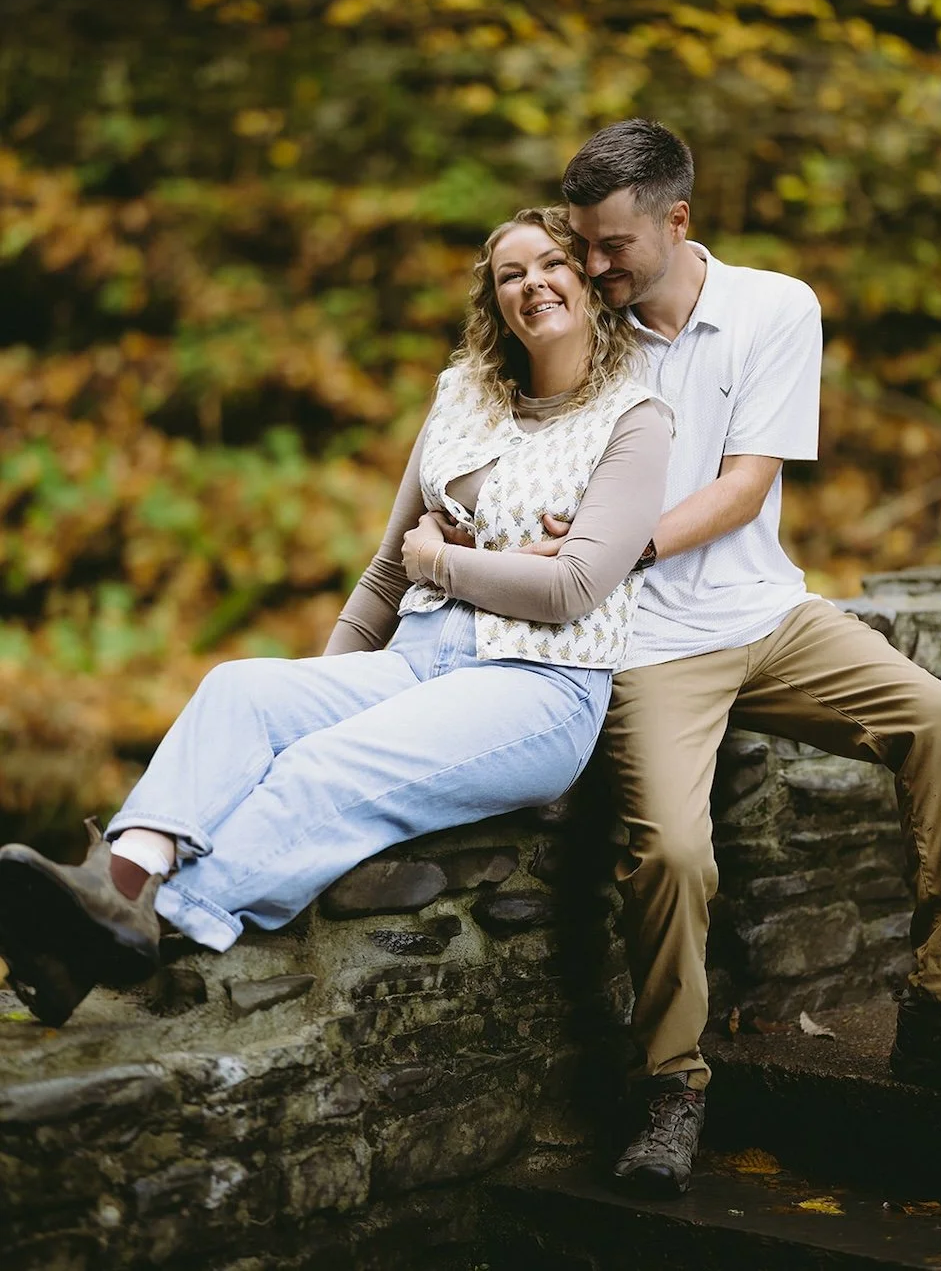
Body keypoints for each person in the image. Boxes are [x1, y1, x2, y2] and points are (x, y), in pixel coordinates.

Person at [451, 120, 941, 1196]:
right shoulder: (583, 326)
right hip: (647, 644)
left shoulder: (774, 308)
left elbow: (746, 488)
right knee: (672, 854)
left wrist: (613, 544)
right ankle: (672, 1087)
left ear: (677, 220)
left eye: (613, 245)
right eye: (580, 242)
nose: (593, 265)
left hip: (768, 615)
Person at [0, 206, 671, 1029]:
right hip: (417, 659)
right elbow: (390, 568)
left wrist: (443, 563)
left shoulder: (635, 420)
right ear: (494, 299)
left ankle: (156, 924)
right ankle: (117, 885)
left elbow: (572, 586)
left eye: (552, 264)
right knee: (241, 692)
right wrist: (325, 687)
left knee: (323, 769)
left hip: (538, 687)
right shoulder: (462, 396)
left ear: (589, 281)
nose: (532, 284)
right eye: (510, 274)